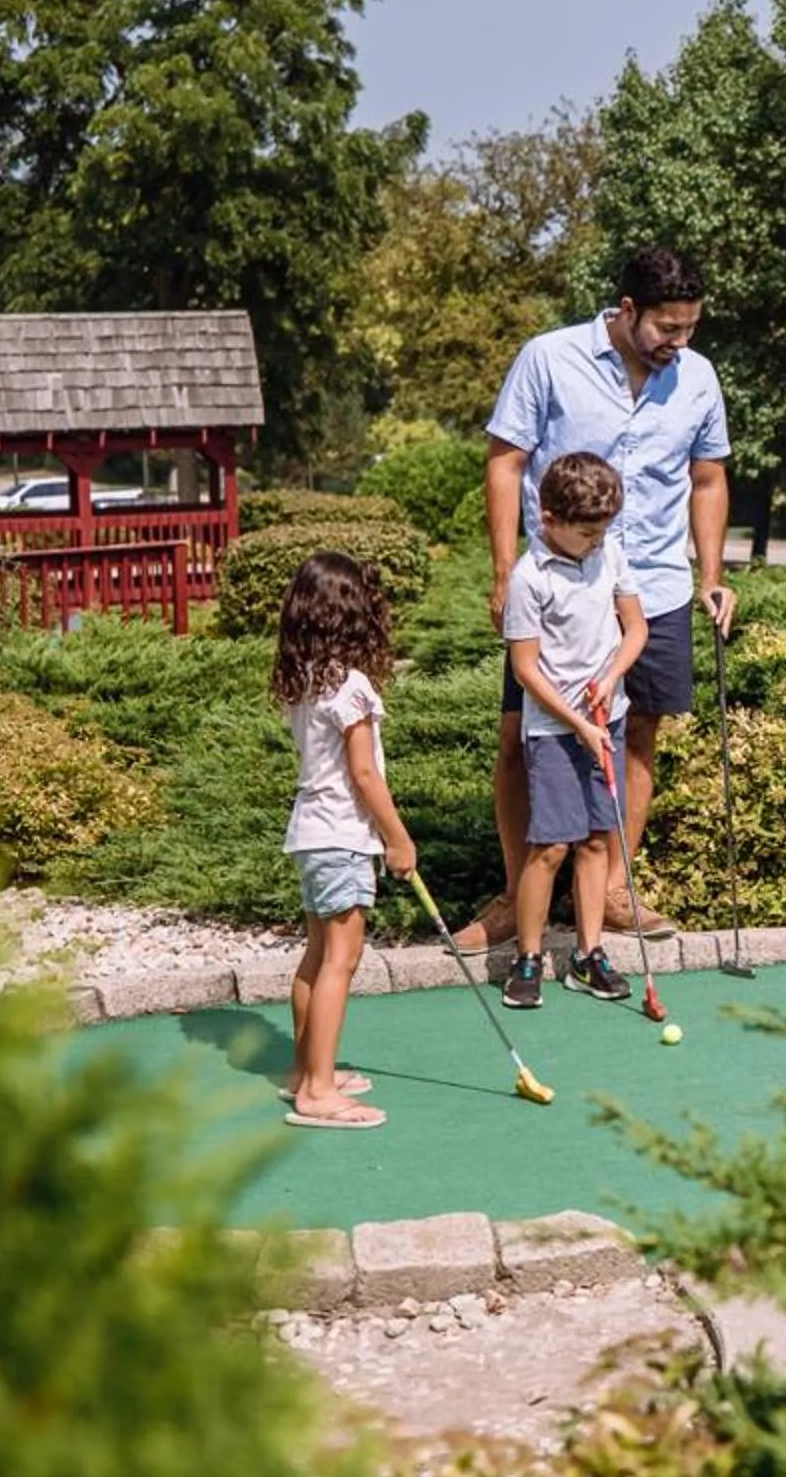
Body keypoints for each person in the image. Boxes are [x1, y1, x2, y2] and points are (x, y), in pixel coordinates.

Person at [458, 245, 736, 950]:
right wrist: (501, 572)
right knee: (521, 741)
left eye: (691, 328)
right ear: (628, 310)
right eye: (668, 329)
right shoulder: (548, 359)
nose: (681, 343)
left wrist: (711, 575)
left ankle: (612, 888)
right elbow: (505, 461)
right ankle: (519, 889)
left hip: (656, 587)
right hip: (558, 588)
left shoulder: (698, 378)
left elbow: (707, 480)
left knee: (638, 733)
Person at [499, 453, 649, 1007]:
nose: (594, 541)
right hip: (554, 730)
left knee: (593, 841)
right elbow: (526, 669)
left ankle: (588, 957)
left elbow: (635, 628)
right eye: (585, 531)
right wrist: (579, 723)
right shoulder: (529, 577)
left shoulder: (608, 552)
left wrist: (610, 679)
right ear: (548, 518)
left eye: (601, 531)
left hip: (605, 717)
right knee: (550, 845)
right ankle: (529, 957)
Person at [270, 552, 412, 1129]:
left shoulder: (303, 679)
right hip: (343, 836)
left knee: (316, 956)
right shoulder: (350, 686)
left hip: (310, 833)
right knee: (341, 961)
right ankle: (319, 1093)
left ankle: (306, 1072)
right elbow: (364, 775)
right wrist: (398, 838)